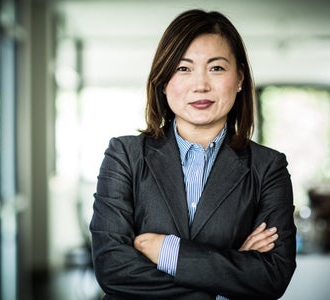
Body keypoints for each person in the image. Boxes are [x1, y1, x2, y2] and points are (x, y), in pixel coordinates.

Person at [90, 9, 296, 300]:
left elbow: (272, 276)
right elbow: (113, 268)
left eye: (216, 68)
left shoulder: (268, 167)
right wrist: (228, 277)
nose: (201, 85)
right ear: (163, 80)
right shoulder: (125, 155)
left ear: (239, 78)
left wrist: (169, 252)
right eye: (183, 69)